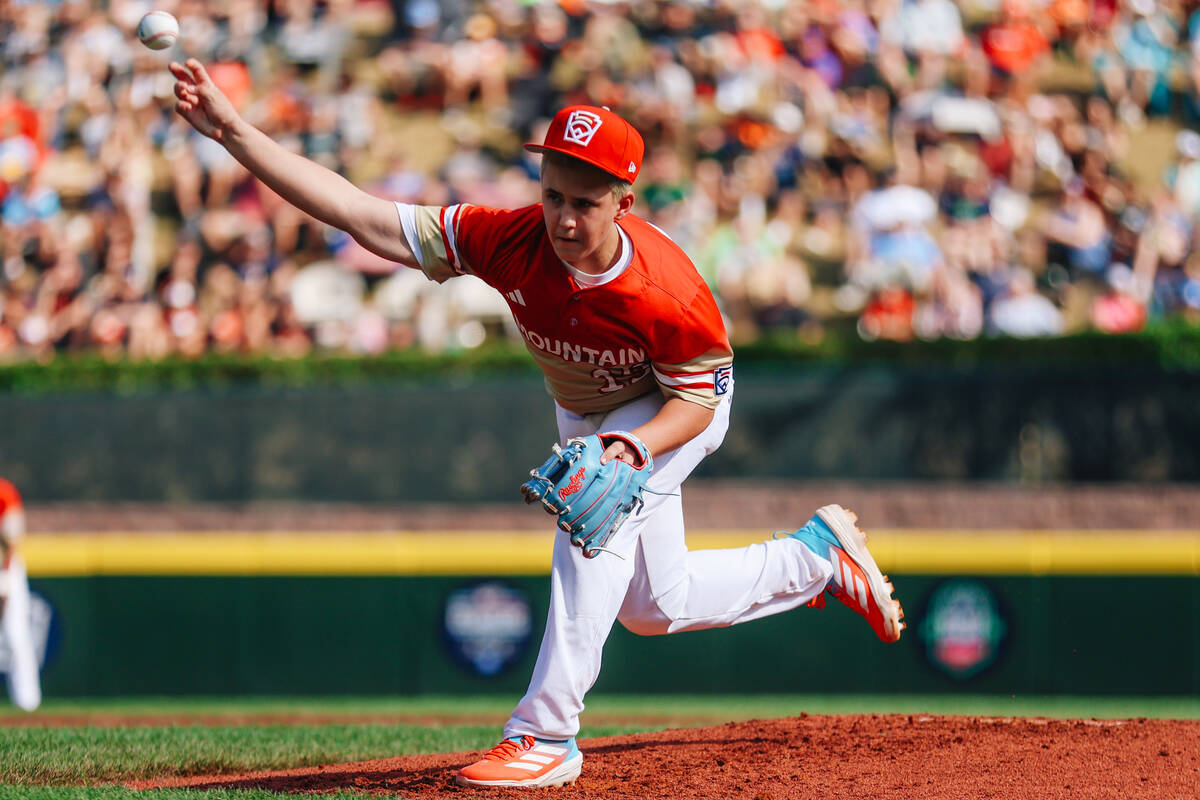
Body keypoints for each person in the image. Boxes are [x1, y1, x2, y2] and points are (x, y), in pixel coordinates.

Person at [170, 58, 905, 788]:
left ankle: (545, 733)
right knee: (655, 606)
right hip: (589, 407)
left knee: (595, 504)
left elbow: (699, 403)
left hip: (672, 406)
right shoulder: (510, 238)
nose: (564, 217)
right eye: (553, 195)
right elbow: (365, 216)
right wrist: (233, 130)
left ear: (624, 199)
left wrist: (631, 447)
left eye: (585, 201)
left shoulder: (665, 293)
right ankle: (815, 558)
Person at [0, 477, 40, 712]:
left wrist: (4, 579)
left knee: (15, 634)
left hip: (6, 567)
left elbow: (12, 541)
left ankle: (28, 704)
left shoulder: (4, 492)